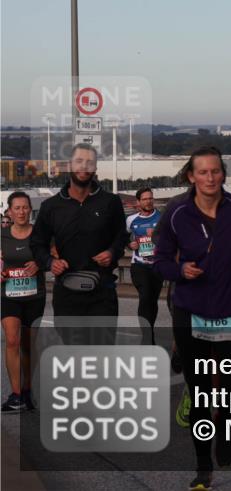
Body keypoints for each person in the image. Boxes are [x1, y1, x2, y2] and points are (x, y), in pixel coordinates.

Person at [152, 147, 231, 490]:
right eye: (202, 172)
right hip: (191, 310)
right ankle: (204, 468)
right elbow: (159, 260)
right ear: (191, 175)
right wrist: (178, 269)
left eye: (215, 171)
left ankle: (226, 427)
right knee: (201, 394)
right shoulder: (176, 213)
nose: (209, 178)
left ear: (223, 174)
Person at [30, 143, 127, 332]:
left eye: (89, 162)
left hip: (103, 293)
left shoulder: (111, 202)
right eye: (79, 161)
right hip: (67, 294)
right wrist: (50, 262)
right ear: (69, 165)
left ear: (96, 167)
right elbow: (37, 244)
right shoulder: (51, 206)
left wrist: (112, 251)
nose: (84, 166)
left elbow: (121, 237)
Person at [1, 192, 43, 412]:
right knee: (11, 341)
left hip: (34, 296)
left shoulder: (39, 234)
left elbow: (53, 254)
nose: (21, 212)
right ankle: (16, 394)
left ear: (30, 209)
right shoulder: (2, 235)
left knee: (28, 345)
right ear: (9, 211)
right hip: (8, 296)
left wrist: (39, 263)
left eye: (25, 207)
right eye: (16, 208)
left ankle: (27, 391)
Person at [126, 187, 163, 344]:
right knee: (145, 296)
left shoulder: (162, 218)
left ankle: (150, 330)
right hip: (139, 265)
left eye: (151, 198)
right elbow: (123, 238)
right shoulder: (131, 220)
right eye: (145, 199)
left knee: (152, 300)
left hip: (157, 266)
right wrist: (130, 244)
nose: (149, 201)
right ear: (138, 202)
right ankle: (147, 337)